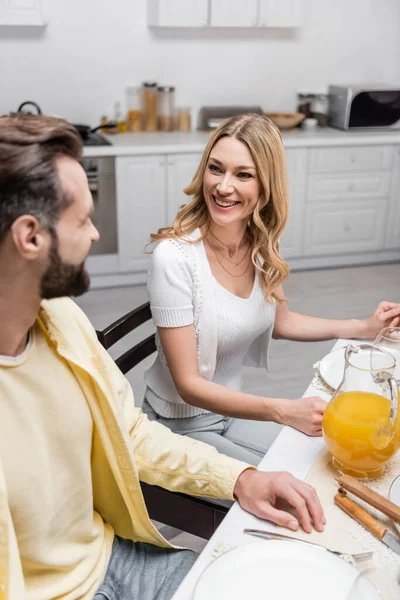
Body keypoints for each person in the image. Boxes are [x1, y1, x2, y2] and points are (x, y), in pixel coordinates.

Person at [0, 115, 325, 600]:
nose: (95, 234)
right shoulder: (174, 258)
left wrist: (241, 479)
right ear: (30, 236)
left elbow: (128, 432)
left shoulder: (64, 321)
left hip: (110, 554)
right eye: (84, 219)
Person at [143, 113, 400, 467]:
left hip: (231, 412)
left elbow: (281, 322)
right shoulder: (173, 258)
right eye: (216, 169)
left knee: (332, 461)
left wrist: (363, 327)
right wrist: (283, 410)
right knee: (297, 489)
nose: (223, 186)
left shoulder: (259, 244)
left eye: (243, 174)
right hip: (177, 426)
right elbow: (188, 385)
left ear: (266, 185)